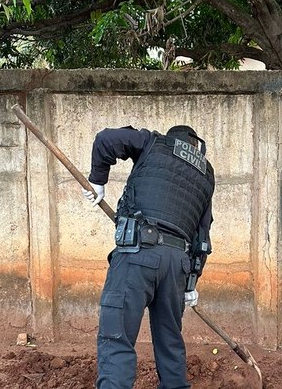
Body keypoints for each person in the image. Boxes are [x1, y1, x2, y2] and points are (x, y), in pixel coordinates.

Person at [83, 125, 215, 389]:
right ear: (195, 147)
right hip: (177, 265)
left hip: (138, 251)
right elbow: (202, 237)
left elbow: (106, 139)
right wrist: (191, 283)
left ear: (172, 139)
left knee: (117, 337)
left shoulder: (154, 143)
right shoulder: (206, 175)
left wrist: (98, 181)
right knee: (170, 340)